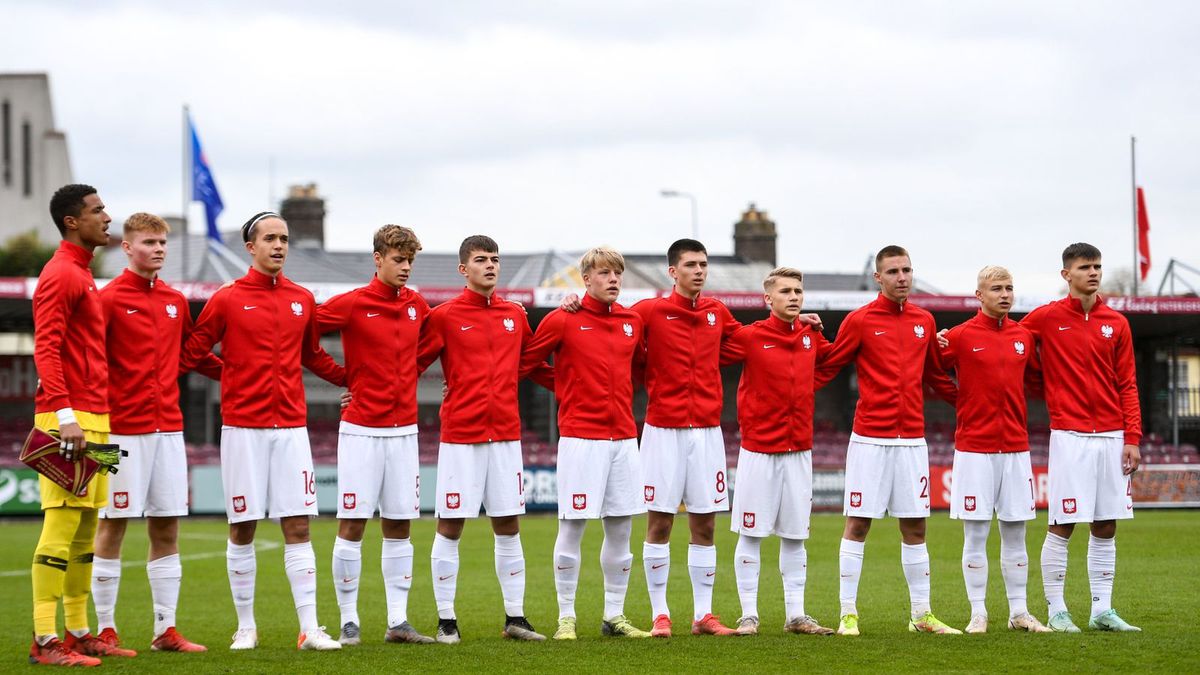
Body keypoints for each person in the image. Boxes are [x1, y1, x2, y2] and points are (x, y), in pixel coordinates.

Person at [181, 211, 347, 651]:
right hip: (242, 429)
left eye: (285, 239)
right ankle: (246, 627)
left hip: (292, 429)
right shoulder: (227, 298)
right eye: (270, 238)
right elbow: (194, 353)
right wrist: (231, 374)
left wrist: (353, 381)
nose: (279, 246)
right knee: (243, 527)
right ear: (250, 247)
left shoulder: (301, 298)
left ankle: (310, 629)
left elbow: (313, 354)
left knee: (298, 526)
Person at [91, 213, 221, 654]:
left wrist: (237, 375)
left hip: (169, 431)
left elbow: (194, 354)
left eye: (163, 242)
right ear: (127, 247)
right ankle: (106, 630)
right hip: (116, 434)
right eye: (150, 242)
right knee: (112, 525)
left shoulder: (175, 300)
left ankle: (166, 629)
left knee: (166, 527)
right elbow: (87, 360)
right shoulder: (105, 299)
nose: (159, 249)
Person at [814, 244, 960, 636]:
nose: (902, 277)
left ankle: (921, 615)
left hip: (912, 440)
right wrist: (802, 340)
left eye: (907, 270)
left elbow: (935, 373)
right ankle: (848, 613)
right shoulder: (859, 320)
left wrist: (971, 400)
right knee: (858, 524)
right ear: (878, 277)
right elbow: (829, 363)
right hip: (869, 440)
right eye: (893, 271)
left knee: (915, 528)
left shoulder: (924, 321)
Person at [414, 235, 554, 643]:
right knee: (450, 525)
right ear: (464, 269)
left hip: (506, 435)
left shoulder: (514, 314)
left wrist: (575, 386)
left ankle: (516, 618)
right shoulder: (443, 316)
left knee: (508, 526)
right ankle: (446, 621)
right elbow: (411, 364)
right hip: (461, 435)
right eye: (481, 259)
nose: (490, 265)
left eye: (495, 259)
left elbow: (532, 363)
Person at [519, 246, 651, 641]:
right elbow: (525, 362)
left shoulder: (632, 321)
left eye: (618, 273)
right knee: (572, 526)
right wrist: (566, 388)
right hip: (580, 438)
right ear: (586, 278)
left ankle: (614, 616)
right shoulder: (563, 319)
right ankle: (566, 618)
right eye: (605, 273)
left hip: (625, 439)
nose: (613, 279)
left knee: (621, 529)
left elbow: (643, 367)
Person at [315, 225, 434, 646]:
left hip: (405, 431)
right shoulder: (351, 304)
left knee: (400, 523)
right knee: (353, 523)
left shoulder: (418, 305)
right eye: (398, 259)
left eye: (410, 261)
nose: (405, 267)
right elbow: (303, 336)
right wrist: (341, 377)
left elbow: (438, 342)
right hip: (362, 430)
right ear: (378, 259)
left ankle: (398, 622)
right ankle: (349, 620)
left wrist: (417, 376)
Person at [29, 184, 127, 666]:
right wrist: (65, 416)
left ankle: (78, 631)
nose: (107, 217)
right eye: (97, 210)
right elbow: (44, 347)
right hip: (67, 418)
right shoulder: (61, 274)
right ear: (73, 221)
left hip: (95, 415)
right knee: (61, 526)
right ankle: (45, 641)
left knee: (88, 528)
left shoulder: (83, 273)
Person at [1021, 243, 1142, 633]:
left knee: (1106, 523)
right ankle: (1056, 609)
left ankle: (1101, 610)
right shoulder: (1045, 318)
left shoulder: (1117, 323)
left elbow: (1127, 384)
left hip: (1111, 435)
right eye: (1085, 267)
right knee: (1063, 522)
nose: (1093, 272)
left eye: (1098, 266)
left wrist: (1132, 437)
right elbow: (1007, 343)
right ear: (1066, 275)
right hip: (1070, 436)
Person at [719, 267, 836, 637]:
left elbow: (833, 363)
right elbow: (706, 346)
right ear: (768, 299)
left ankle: (796, 615)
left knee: (795, 535)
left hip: (800, 450)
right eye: (786, 291)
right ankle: (749, 615)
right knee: (751, 534)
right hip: (758, 451)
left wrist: (817, 332)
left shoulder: (810, 337)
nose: (795, 297)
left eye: (799, 291)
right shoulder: (749, 336)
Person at [938, 266, 1050, 634]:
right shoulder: (959, 336)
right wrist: (961, 400)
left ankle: (1019, 612)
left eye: (1009, 288)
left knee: (1016, 532)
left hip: (1016, 448)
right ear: (979, 295)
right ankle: (978, 613)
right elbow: (929, 369)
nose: (1004, 294)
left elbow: (1037, 378)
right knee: (976, 534)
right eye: (996, 288)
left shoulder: (1022, 336)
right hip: (973, 450)